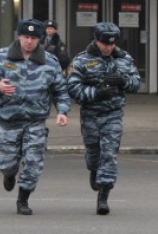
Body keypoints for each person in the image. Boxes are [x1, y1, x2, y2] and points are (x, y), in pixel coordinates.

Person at [0, 19, 71, 215]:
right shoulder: (1, 57)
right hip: (8, 121)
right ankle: (9, 174)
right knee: (8, 163)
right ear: (19, 36)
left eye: (33, 38)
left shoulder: (50, 61)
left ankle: (23, 199)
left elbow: (60, 90)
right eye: (26, 37)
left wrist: (62, 111)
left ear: (39, 39)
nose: (29, 41)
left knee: (33, 163)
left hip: (35, 121)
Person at [67, 22, 140, 215]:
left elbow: (136, 83)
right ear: (96, 41)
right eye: (104, 44)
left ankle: (103, 197)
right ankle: (93, 169)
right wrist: (96, 93)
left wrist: (125, 81)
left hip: (113, 114)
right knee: (94, 153)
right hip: (90, 114)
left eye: (111, 44)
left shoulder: (124, 59)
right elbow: (73, 88)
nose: (108, 47)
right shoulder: (82, 60)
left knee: (109, 154)